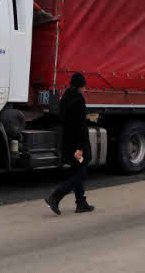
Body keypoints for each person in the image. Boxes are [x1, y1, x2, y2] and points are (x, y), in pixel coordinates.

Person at [46, 73, 95, 215]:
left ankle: (81, 203)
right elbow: (80, 125)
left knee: (77, 170)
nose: (85, 89)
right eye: (84, 86)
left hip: (68, 142)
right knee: (82, 172)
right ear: (80, 86)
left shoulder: (65, 98)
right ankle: (56, 196)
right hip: (78, 145)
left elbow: (64, 119)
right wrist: (80, 148)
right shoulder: (78, 99)